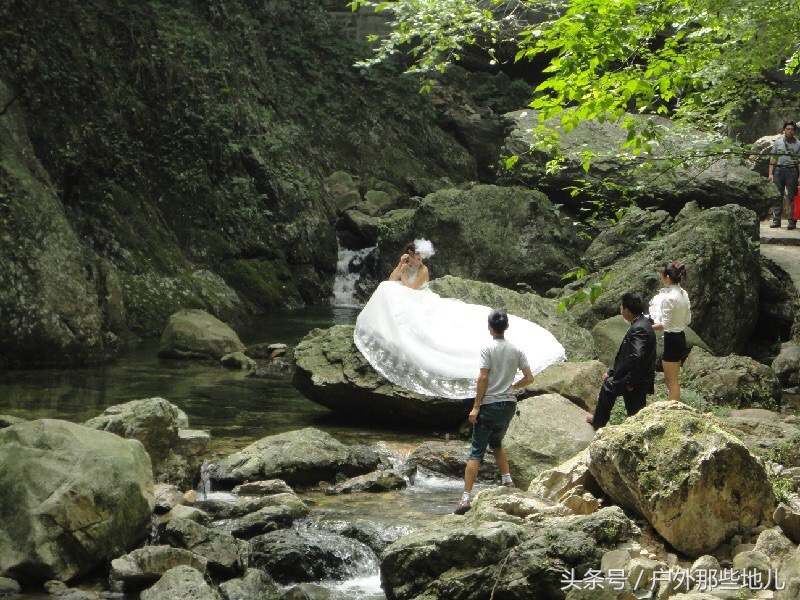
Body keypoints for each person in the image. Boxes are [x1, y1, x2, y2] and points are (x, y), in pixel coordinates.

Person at [353, 238, 566, 399]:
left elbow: (411, 289)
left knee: (395, 295)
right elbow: (391, 282)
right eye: (414, 259)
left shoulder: (424, 271)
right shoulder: (405, 265)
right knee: (385, 288)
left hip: (419, 299)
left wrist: (402, 277)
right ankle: (384, 326)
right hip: (406, 296)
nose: (416, 262)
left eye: (418, 259)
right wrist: (400, 267)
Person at [454, 309, 534, 515]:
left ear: (490, 327)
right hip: (508, 405)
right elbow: (529, 378)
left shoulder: (487, 349)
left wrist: (476, 406)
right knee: (497, 443)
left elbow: (483, 378)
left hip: (489, 405)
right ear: (506, 327)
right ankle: (507, 481)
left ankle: (465, 499)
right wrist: (511, 387)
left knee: (476, 452)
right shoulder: (517, 350)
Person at [586, 292, 657, 430]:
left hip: (635, 378)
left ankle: (598, 423)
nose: (621, 310)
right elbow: (627, 356)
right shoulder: (643, 323)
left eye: (622, 307)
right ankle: (637, 430)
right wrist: (612, 372)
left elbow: (637, 356)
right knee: (635, 409)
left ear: (627, 311)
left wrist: (631, 382)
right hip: (640, 377)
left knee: (608, 388)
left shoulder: (639, 328)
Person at [649, 261, 691, 401]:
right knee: (673, 380)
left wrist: (646, 327)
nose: (661, 278)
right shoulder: (683, 293)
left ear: (667, 277)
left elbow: (664, 325)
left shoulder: (669, 297)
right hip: (681, 337)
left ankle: (672, 410)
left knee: (671, 382)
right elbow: (688, 319)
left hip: (672, 339)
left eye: (661, 276)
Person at [769, 121, 800, 229]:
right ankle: (776, 220)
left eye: (792, 129)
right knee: (777, 196)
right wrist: (770, 174)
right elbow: (773, 158)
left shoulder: (798, 144)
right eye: (788, 129)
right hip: (779, 171)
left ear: (794, 131)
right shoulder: (778, 143)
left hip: (792, 171)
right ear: (784, 130)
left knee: (793, 196)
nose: (790, 131)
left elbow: (799, 161)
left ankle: (792, 222)